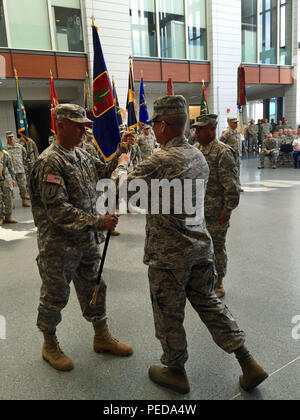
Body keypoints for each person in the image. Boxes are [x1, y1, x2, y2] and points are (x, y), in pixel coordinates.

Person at [113, 95, 268, 395]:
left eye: (155, 122)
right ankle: (247, 361)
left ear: (164, 125)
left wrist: (122, 163)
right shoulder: (198, 155)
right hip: (200, 247)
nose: (153, 128)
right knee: (210, 304)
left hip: (168, 257)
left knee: (168, 313)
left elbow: (123, 192)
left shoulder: (160, 159)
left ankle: (175, 371)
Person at [29, 104, 133, 372]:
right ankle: (49, 344)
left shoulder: (80, 154)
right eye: (79, 126)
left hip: (87, 241)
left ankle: (101, 336)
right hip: (59, 246)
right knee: (55, 295)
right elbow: (57, 210)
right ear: (60, 125)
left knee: (95, 287)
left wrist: (121, 152)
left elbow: (103, 171)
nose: (84, 131)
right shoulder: (49, 161)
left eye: (86, 126)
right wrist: (99, 221)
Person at [193, 115, 240, 298]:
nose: (196, 132)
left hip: (216, 211)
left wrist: (227, 210)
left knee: (217, 247)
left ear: (211, 129)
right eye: (195, 129)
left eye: (200, 129)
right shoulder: (196, 149)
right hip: (197, 211)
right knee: (200, 246)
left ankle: (219, 281)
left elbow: (231, 186)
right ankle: (204, 279)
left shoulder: (223, 152)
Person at [6, 132, 30, 207]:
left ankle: (24, 201)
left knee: (23, 187)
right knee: (10, 189)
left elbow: (24, 156)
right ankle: (11, 203)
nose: (11, 138)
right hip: (10, 172)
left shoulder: (20, 147)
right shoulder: (4, 148)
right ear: (6, 138)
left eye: (12, 137)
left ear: (14, 137)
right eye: (9, 137)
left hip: (20, 170)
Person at [221, 117, 243, 192]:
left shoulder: (237, 132)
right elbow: (221, 143)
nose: (236, 124)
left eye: (236, 122)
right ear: (229, 123)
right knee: (229, 171)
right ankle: (229, 187)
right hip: (229, 155)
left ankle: (238, 185)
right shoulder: (226, 132)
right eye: (234, 123)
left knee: (237, 170)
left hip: (237, 154)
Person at [0, 148, 17, 226]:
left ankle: (8, 217)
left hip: (6, 179)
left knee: (8, 199)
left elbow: (11, 167)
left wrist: (13, 178)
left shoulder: (5, 154)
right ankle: (0, 217)